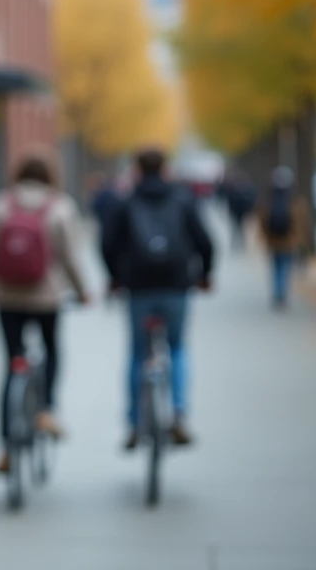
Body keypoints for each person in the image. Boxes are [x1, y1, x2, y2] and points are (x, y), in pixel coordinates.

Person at [0, 153, 90, 475]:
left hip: (7, 297)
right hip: (47, 298)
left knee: (12, 364)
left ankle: (5, 449)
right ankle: (46, 409)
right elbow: (69, 255)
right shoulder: (60, 206)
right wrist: (81, 290)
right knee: (52, 348)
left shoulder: (1, 204)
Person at [102, 148, 213, 449]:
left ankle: (135, 423)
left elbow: (107, 243)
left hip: (137, 287)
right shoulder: (182, 199)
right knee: (176, 349)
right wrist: (205, 275)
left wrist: (114, 278)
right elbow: (205, 241)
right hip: (176, 285)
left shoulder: (125, 202)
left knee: (138, 353)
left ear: (137, 168)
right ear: (165, 169)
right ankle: (177, 414)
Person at [258, 166, 310, 308]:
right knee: (285, 267)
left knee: (275, 267)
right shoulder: (296, 201)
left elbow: (262, 220)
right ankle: (282, 293)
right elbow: (302, 223)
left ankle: (277, 292)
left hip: (273, 240)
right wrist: (299, 239)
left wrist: (264, 236)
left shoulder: (269, 200)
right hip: (289, 241)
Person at [224, 171, 257, 252]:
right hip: (240, 212)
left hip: (238, 212)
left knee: (237, 229)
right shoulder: (246, 188)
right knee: (239, 228)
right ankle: (239, 244)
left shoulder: (234, 188)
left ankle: (237, 244)